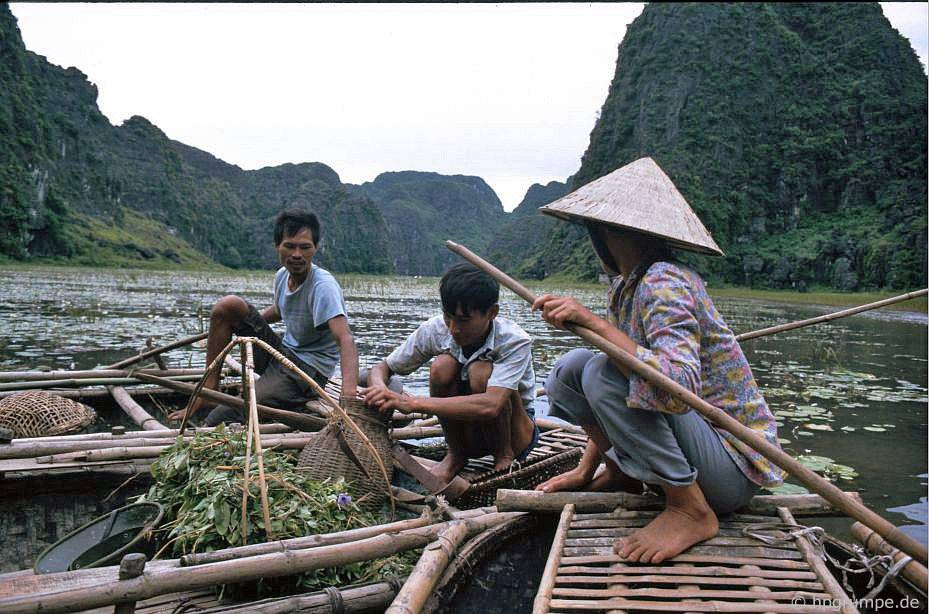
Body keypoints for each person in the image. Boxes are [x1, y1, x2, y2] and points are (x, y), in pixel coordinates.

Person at [532, 157, 785, 564]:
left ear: (609, 234)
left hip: (731, 465)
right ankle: (620, 473)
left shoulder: (665, 280)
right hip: (698, 450)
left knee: (600, 369)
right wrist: (586, 470)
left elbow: (678, 385)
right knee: (570, 370)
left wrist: (592, 321)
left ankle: (690, 509)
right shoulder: (627, 286)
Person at [168, 209, 358, 426]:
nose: (297, 254)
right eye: (290, 246)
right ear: (278, 246)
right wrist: (233, 325)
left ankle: (247, 406)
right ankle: (209, 387)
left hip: (307, 372)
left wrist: (348, 398)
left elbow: (345, 339)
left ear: (315, 248)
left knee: (222, 417)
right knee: (228, 306)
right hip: (282, 354)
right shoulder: (282, 275)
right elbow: (279, 310)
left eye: (305, 247)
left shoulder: (323, 286)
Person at [361, 262, 538, 484]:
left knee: (481, 371)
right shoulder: (436, 329)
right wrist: (378, 387)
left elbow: (491, 405)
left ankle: (503, 456)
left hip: (516, 433)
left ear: (492, 313)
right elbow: (382, 367)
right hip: (470, 430)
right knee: (442, 367)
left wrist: (414, 403)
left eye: (464, 320)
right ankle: (456, 454)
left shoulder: (514, 340)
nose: (454, 328)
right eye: (448, 316)